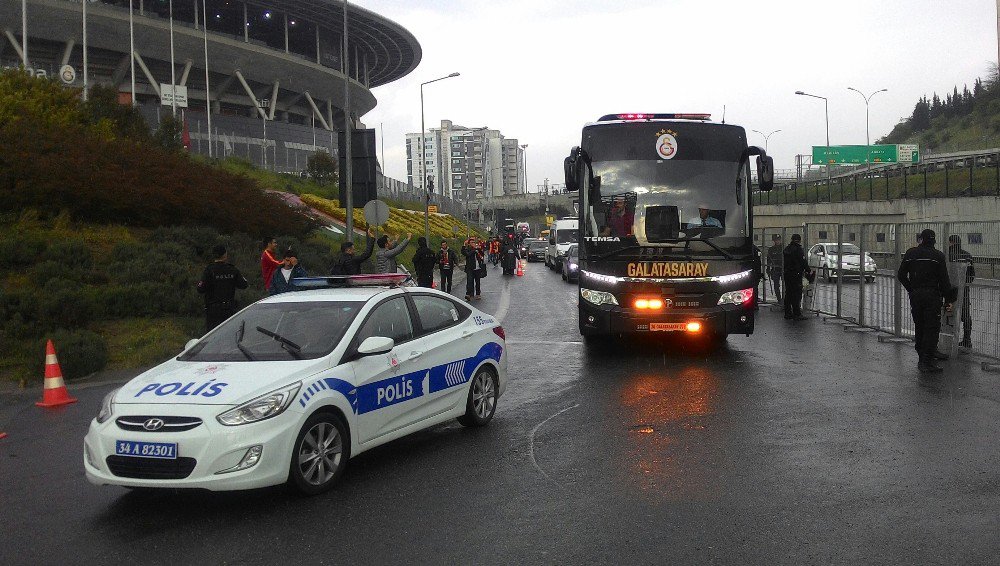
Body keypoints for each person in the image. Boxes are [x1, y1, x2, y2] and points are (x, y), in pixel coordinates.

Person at [897, 229, 956, 373]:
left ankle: (922, 356)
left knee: (920, 325)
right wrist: (949, 298)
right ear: (934, 240)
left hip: (916, 295)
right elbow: (944, 281)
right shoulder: (938, 256)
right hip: (932, 296)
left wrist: (911, 289)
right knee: (932, 328)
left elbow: (901, 275)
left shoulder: (911, 253)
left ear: (921, 239)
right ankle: (926, 361)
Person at [197, 244, 248, 333]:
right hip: (229, 310)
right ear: (225, 255)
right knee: (228, 335)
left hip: (213, 311)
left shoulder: (209, 270)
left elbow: (200, 289)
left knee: (212, 336)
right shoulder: (232, 269)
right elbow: (244, 285)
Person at [947, 235, 975, 348]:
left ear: (951, 242)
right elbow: (971, 274)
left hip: (949, 289)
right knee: (965, 315)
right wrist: (965, 284)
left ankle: (948, 340)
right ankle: (967, 340)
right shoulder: (967, 255)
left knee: (948, 314)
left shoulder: (946, 255)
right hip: (963, 289)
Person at [782, 234, 812, 320]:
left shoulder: (787, 249)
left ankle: (787, 313)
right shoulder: (798, 250)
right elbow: (803, 262)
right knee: (796, 294)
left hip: (787, 274)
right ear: (799, 240)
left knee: (788, 293)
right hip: (796, 274)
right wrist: (808, 270)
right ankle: (797, 313)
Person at [766, 234, 784, 304]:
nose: (778, 241)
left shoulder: (783, 248)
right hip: (775, 269)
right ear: (774, 241)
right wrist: (768, 268)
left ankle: (784, 299)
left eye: (779, 240)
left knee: (785, 285)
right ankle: (779, 299)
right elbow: (768, 260)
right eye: (776, 240)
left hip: (783, 269)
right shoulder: (771, 249)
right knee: (776, 285)